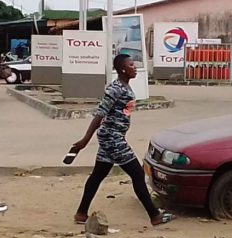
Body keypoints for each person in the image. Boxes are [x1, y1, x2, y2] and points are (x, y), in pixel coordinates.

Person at [69, 54, 174, 227]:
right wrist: (85, 140)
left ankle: (81, 213)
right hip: (112, 138)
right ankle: (154, 216)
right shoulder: (115, 88)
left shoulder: (124, 86)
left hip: (113, 136)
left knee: (98, 175)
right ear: (123, 69)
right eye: (131, 65)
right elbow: (100, 114)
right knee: (137, 174)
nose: (135, 67)